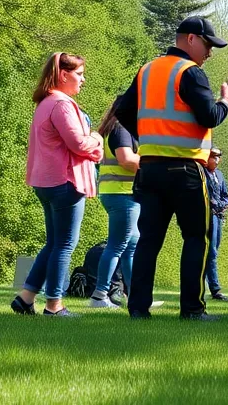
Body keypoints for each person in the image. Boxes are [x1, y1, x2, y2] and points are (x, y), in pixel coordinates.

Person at [115, 16, 228, 320]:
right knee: (196, 238)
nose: (210, 53)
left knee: (148, 240)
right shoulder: (190, 72)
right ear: (191, 39)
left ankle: (138, 308)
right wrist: (225, 100)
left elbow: (123, 110)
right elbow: (209, 116)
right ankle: (192, 309)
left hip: (150, 168)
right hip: (186, 171)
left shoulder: (147, 70)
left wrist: (150, 136)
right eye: (208, 45)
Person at [15, 53, 102, 317]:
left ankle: (25, 298)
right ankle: (54, 305)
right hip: (65, 181)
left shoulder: (45, 102)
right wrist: (97, 139)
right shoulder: (62, 105)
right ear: (64, 75)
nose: (83, 80)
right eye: (79, 74)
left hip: (46, 182)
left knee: (53, 243)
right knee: (65, 244)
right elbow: (79, 143)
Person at [90, 98, 140, 308]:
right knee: (117, 246)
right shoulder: (122, 128)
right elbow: (126, 159)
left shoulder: (115, 127)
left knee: (130, 246)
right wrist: (154, 163)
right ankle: (99, 296)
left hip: (118, 193)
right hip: (122, 194)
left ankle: (136, 297)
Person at [204, 148, 228, 301]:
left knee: (214, 251)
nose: (217, 160)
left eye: (218, 157)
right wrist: (216, 205)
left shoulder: (219, 175)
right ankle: (215, 289)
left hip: (218, 217)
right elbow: (207, 197)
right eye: (214, 157)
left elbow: (225, 196)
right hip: (208, 216)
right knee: (211, 252)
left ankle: (211, 286)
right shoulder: (202, 173)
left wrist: (222, 205)